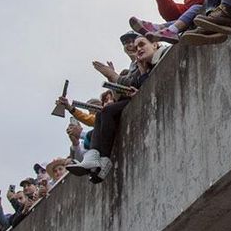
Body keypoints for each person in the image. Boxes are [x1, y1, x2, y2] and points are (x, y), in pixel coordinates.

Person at [66, 37, 171, 183]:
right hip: (129, 101)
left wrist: (113, 75)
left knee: (107, 111)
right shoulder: (137, 67)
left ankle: (102, 161)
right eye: (136, 48)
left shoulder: (162, 53)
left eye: (141, 45)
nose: (138, 49)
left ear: (154, 44)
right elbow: (130, 84)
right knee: (104, 112)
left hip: (150, 100)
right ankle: (94, 162)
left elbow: (142, 83)